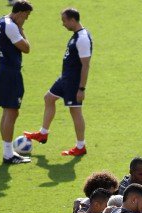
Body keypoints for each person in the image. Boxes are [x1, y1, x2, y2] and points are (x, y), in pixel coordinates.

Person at [24, 8, 92, 156]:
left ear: (73, 20)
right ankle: (43, 133)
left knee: (75, 111)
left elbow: (86, 65)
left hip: (74, 82)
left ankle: (81, 146)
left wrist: (81, 88)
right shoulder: (76, 36)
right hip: (65, 78)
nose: (63, 24)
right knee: (49, 98)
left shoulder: (83, 38)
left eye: (64, 21)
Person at [0, 0, 32, 164]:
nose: (26, 19)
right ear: (21, 13)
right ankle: (8, 155)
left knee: (8, 112)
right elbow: (26, 48)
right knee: (11, 112)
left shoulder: (1, 20)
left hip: (3, 70)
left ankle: (7, 152)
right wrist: (21, 29)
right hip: (10, 73)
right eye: (26, 16)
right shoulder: (11, 26)